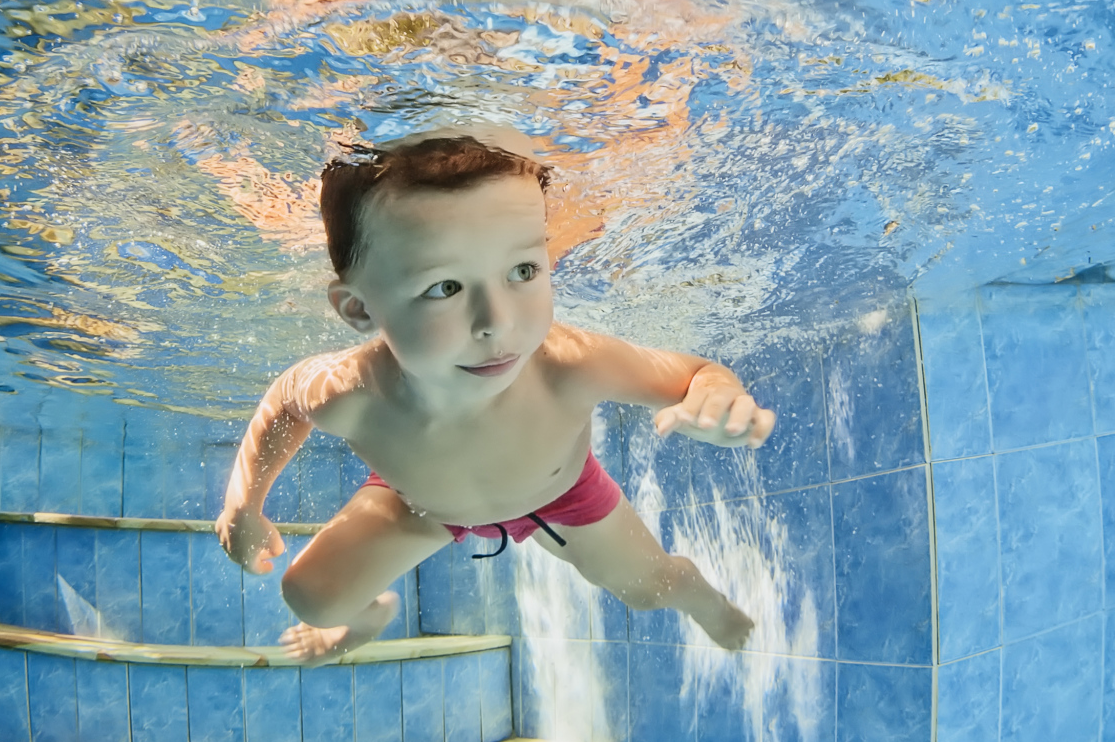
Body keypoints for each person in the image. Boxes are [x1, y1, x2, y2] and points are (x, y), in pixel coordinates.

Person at [215, 128, 776, 665]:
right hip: (421, 502)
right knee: (311, 597)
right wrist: (243, 505)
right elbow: (286, 400)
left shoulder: (570, 363)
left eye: (523, 270)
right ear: (360, 310)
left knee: (649, 589)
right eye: (444, 288)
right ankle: (364, 621)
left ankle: (702, 597)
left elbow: (697, 373)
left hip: (563, 495)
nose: (497, 321)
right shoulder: (354, 393)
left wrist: (717, 396)